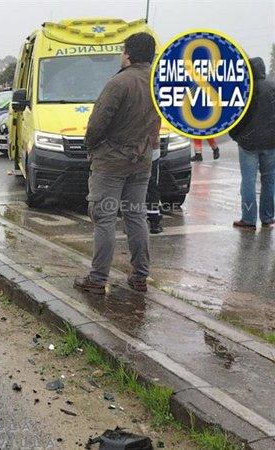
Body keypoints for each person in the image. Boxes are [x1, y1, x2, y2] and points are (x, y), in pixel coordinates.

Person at [74, 32, 160, 295]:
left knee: (104, 218)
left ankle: (98, 279)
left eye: (123, 51)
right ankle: (140, 276)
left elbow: (98, 123)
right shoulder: (158, 84)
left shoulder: (119, 83)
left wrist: (91, 146)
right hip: (142, 159)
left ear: (128, 54)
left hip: (111, 161)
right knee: (136, 216)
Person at [228, 56, 275, 229]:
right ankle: (268, 218)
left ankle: (248, 219)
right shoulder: (272, 87)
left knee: (248, 181)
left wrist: (236, 136)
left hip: (248, 144)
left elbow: (232, 118)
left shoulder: (243, 90)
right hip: (271, 143)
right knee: (269, 181)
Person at [146, 146, 163, 234]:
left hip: (128, 154)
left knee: (132, 188)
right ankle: (154, 222)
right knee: (152, 186)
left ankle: (130, 224)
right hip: (151, 153)